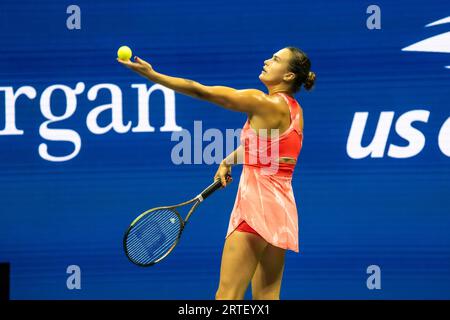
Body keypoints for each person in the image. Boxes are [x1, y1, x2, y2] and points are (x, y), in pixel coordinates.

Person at [117, 46, 315, 300]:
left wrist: (153, 76)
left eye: (275, 59)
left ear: (288, 76)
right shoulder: (294, 111)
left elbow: (202, 91)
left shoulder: (261, 102)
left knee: (227, 297)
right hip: (282, 210)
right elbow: (266, 151)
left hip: (255, 210)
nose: (266, 60)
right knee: (267, 297)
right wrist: (228, 160)